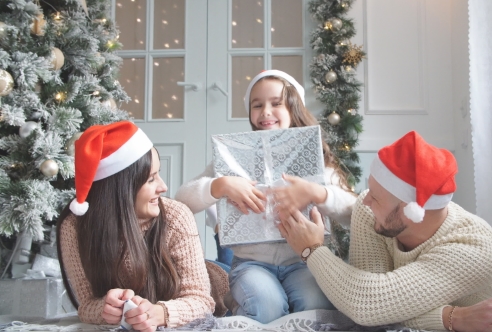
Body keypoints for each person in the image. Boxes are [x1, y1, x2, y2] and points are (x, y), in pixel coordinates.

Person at [278, 130, 492, 331]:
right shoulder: (372, 213)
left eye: (376, 197)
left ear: (409, 211)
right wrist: (453, 317)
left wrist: (312, 250)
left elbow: (366, 304)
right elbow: (371, 313)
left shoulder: (473, 249)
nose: (365, 201)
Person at [175, 69, 357, 323]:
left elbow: (355, 212)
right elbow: (181, 200)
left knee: (314, 303)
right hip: (252, 264)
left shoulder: (317, 161)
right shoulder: (233, 159)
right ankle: (239, 305)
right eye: (257, 105)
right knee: (265, 304)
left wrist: (319, 192)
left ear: (295, 107)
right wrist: (220, 185)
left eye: (276, 103)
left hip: (306, 261)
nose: (266, 112)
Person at [56, 121, 221, 332]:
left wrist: (160, 313)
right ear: (120, 188)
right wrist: (107, 309)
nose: (163, 187)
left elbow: (201, 300)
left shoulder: (176, 216)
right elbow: (86, 305)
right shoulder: (74, 227)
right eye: (151, 179)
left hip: (212, 282)